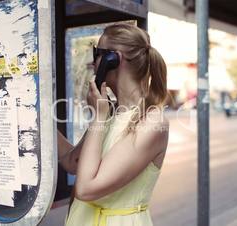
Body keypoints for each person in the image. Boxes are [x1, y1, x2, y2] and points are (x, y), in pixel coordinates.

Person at [57, 23, 170, 226]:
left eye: (97, 53)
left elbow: (85, 188)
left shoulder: (150, 121)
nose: (93, 63)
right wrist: (39, 124)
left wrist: (98, 118)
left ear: (113, 59)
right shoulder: (110, 111)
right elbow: (72, 162)